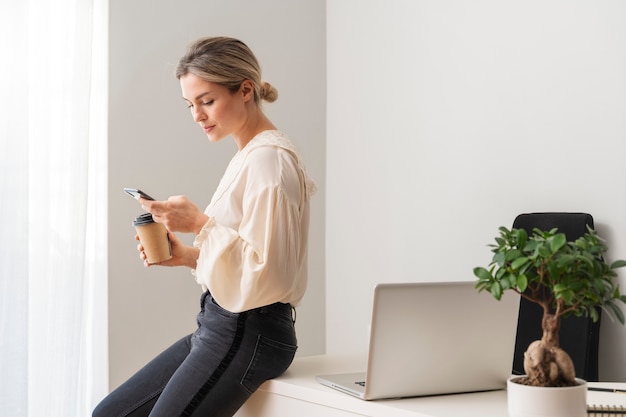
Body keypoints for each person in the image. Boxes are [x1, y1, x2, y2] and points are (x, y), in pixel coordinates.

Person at [93, 36, 316, 417]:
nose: (197, 115)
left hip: (249, 331)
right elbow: (249, 254)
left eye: (207, 101)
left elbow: (272, 274)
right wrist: (191, 256)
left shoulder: (269, 162)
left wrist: (199, 223)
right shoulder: (249, 155)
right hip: (220, 324)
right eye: (190, 105)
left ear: (245, 90)